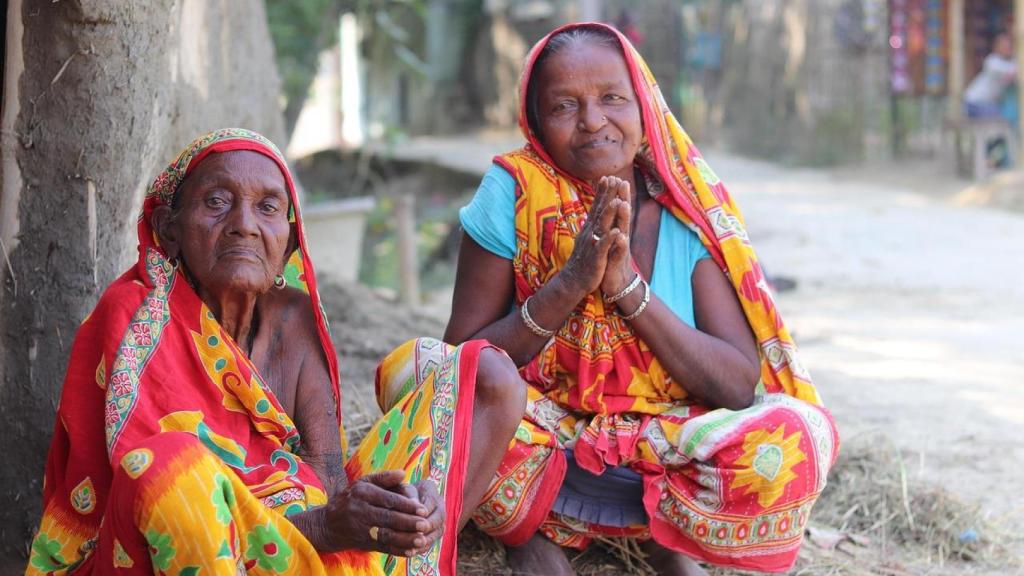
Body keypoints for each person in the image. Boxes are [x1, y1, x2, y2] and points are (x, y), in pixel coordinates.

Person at [26, 128, 525, 576]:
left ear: (287, 245)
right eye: (217, 202)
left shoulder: (294, 318)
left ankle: (419, 551)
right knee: (170, 464)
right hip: (182, 556)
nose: (245, 224)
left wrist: (404, 506)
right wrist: (324, 527)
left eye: (268, 208)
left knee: (484, 375)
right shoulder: (137, 315)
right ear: (168, 231)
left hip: (303, 551)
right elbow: (156, 498)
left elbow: (329, 478)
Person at [445, 23, 839, 575]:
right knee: (419, 374)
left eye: (612, 98)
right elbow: (460, 358)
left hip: (663, 455)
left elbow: (734, 384)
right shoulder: (512, 191)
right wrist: (570, 283)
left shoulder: (686, 211)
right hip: (539, 444)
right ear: (535, 123)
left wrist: (626, 287)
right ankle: (529, 529)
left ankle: (668, 535)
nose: (593, 121)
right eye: (564, 106)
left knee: (796, 435)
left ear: (644, 105)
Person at [964, 32, 1017, 121]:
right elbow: (1013, 70)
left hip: (988, 104)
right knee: (1005, 116)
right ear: (997, 47)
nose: (1007, 48)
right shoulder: (992, 61)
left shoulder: (1009, 62)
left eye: (1009, 46)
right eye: (1004, 46)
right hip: (974, 104)